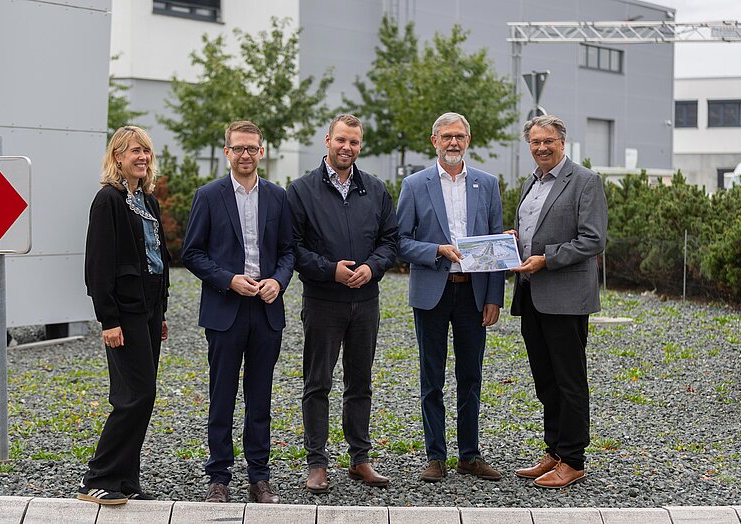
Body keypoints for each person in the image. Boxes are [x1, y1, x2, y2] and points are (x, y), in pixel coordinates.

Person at [182, 121, 295, 504]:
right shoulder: (208, 195)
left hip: (266, 309)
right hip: (225, 309)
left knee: (260, 397)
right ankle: (219, 478)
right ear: (227, 151)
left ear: (262, 152)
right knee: (222, 395)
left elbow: (287, 252)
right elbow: (192, 253)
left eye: (252, 148)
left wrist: (278, 281)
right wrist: (228, 280)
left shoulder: (279, 197)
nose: (245, 155)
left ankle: (259, 478)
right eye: (238, 148)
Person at [286, 113, 399, 493]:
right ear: (327, 140)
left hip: (366, 301)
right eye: (340, 140)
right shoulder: (301, 190)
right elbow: (293, 248)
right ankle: (317, 463)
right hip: (323, 301)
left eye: (353, 142)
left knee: (360, 382)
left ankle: (360, 459)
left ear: (360, 145)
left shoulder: (376, 189)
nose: (346, 147)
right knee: (317, 383)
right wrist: (329, 270)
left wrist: (373, 267)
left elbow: (390, 240)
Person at [396, 112, 505, 483]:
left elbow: (495, 245)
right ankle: (436, 456)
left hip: (473, 295)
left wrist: (494, 297)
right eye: (446, 137)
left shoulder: (487, 184)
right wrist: (436, 250)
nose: (453, 143)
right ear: (434, 141)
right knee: (432, 377)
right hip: (432, 293)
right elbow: (400, 242)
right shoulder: (414, 184)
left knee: (471, 376)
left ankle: (470, 455)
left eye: (459, 136)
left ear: (468, 140)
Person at [508, 115, 608, 489]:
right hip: (531, 294)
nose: (541, 148)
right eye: (535, 142)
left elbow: (592, 239)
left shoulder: (585, 181)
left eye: (548, 141)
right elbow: (532, 233)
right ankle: (554, 452)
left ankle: (574, 459)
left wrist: (547, 258)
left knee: (569, 381)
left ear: (562, 142)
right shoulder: (529, 183)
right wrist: (513, 240)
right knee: (545, 381)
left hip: (565, 298)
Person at [79, 125, 170, 505]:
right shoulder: (109, 201)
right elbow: (98, 267)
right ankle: (97, 478)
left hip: (149, 310)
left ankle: (126, 478)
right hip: (125, 313)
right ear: (118, 156)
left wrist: (160, 313)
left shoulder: (147, 200)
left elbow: (157, 258)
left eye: (146, 152)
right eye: (135, 151)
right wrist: (109, 320)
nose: (142, 158)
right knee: (134, 395)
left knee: (143, 397)